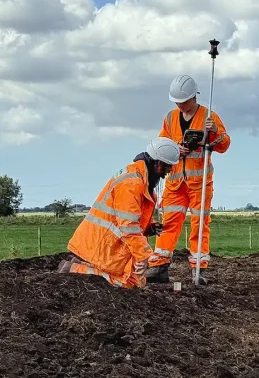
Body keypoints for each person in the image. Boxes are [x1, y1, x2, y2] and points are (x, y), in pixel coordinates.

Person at [58, 138, 181, 288]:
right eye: (168, 166)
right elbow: (129, 226)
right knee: (127, 284)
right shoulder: (132, 184)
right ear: (158, 163)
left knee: (136, 282)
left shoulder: (141, 181)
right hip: (103, 244)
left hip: (109, 244)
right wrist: (144, 256)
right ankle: (74, 269)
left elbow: (133, 216)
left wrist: (150, 226)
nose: (169, 171)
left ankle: (79, 266)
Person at [144, 74, 231, 286]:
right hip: (174, 182)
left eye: (183, 101)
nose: (180, 106)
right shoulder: (170, 118)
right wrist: (176, 148)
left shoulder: (209, 117)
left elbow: (224, 145)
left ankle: (198, 270)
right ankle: (159, 268)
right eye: (177, 102)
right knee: (168, 225)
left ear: (194, 97)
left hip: (199, 184)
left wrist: (214, 133)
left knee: (200, 225)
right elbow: (161, 144)